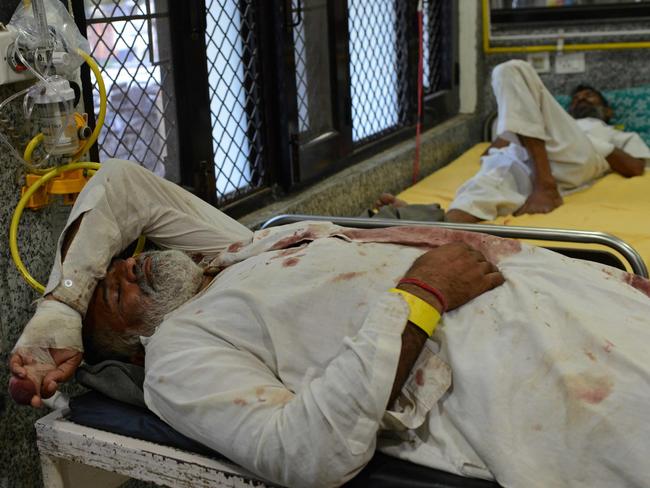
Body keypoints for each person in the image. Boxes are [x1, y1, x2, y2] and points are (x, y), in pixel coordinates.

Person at [9, 160, 650, 487]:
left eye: (118, 263)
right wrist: (420, 297)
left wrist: (63, 307)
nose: (127, 269)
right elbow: (304, 453)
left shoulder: (242, 251)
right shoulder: (179, 350)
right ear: (137, 347)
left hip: (563, 299)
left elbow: (122, 184)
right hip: (519, 365)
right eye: (113, 299)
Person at [442, 59, 650, 223]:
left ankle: (545, 185)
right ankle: (440, 231)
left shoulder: (614, 133)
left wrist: (597, 146)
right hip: (533, 154)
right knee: (488, 182)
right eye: (576, 99)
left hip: (577, 155)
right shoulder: (552, 122)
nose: (581, 99)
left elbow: (636, 167)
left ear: (608, 111)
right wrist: (522, 121)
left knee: (510, 70)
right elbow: (487, 154)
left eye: (589, 96)